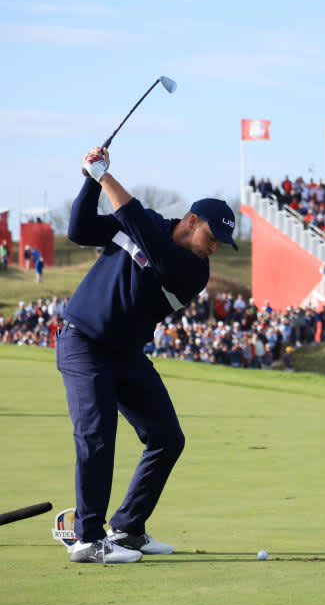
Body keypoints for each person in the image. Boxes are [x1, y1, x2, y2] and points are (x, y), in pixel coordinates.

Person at [57, 146, 238, 564]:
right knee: (97, 438)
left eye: (221, 244)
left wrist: (105, 176)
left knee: (167, 438)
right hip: (83, 343)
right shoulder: (148, 226)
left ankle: (127, 528)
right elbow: (81, 230)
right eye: (212, 237)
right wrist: (89, 179)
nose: (214, 247)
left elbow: (146, 236)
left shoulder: (193, 270)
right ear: (192, 221)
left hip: (125, 354)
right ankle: (88, 539)